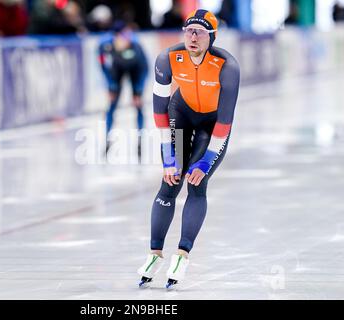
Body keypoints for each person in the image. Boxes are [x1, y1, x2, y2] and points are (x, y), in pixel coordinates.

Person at [137, 9, 240, 289]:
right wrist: (169, 156)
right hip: (179, 114)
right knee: (169, 180)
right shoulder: (168, 57)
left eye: (200, 32)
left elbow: (225, 121)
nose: (193, 37)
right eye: (189, 30)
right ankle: (154, 253)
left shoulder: (227, 66)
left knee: (196, 181)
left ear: (212, 37)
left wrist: (206, 161)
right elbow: (159, 113)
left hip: (212, 125)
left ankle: (182, 253)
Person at [97, 20, 148, 160]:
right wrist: (111, 86)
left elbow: (144, 69)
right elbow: (104, 67)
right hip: (116, 71)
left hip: (135, 70)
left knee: (138, 106)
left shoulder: (136, 46)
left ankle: (140, 141)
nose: (125, 40)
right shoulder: (105, 46)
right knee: (112, 105)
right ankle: (107, 140)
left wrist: (138, 91)